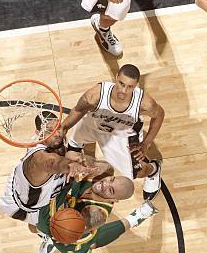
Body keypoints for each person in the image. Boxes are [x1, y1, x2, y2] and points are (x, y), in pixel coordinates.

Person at [61, 64, 165, 200]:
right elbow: (79, 110)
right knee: (72, 150)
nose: (123, 90)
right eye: (121, 84)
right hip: (92, 126)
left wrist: (146, 143)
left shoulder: (144, 103)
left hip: (121, 135)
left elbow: (159, 115)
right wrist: (63, 127)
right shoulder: (95, 95)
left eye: (130, 87)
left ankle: (154, 169)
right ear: (116, 78)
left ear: (136, 86)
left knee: (136, 172)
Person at [0, 111, 100, 231]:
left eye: (59, 127)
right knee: (50, 229)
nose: (57, 134)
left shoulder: (54, 137)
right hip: (25, 208)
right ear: (39, 133)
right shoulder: (39, 158)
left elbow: (76, 113)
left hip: (36, 190)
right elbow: (54, 163)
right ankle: (43, 234)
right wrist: (71, 164)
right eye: (50, 130)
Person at [35, 174, 157, 253]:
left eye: (111, 191)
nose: (105, 184)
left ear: (114, 199)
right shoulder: (101, 175)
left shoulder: (96, 215)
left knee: (37, 225)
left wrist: (58, 231)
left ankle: (138, 216)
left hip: (71, 241)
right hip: (67, 215)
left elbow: (71, 232)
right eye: (111, 179)